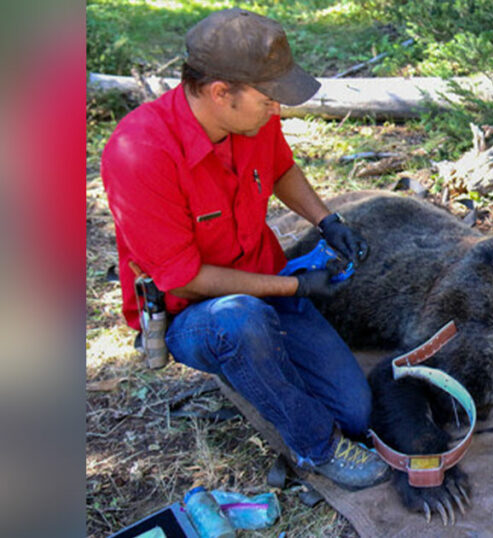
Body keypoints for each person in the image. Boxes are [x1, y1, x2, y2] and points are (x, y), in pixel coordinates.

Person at [101, 8, 390, 490]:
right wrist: (294, 285)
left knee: (356, 412)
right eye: (268, 98)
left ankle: (260, 367)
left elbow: (280, 168)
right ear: (220, 93)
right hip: (196, 311)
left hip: (266, 284)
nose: (278, 109)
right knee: (240, 322)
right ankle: (314, 446)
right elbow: (186, 278)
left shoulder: (250, 121)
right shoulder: (139, 151)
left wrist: (328, 220)